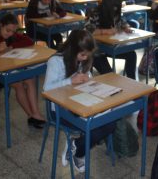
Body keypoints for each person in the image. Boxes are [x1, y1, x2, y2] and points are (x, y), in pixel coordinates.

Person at [43, 29, 116, 172]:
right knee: (93, 126)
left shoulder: (82, 59)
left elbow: (85, 75)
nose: (84, 58)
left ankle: (76, 144)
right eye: (82, 55)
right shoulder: (55, 61)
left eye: (87, 56)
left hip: (80, 103)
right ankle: (79, 150)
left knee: (110, 122)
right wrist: (69, 81)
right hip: (59, 110)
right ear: (72, 49)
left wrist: (88, 79)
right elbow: (46, 89)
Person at [0, 13, 46, 128]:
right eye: (8, 30)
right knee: (19, 84)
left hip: (6, 69)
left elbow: (29, 41)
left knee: (30, 79)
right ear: (1, 25)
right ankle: (31, 115)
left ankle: (35, 114)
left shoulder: (11, 35)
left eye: (13, 31)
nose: (10, 34)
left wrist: (12, 47)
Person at [85, 0, 137, 79]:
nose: (115, 9)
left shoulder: (115, 12)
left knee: (132, 54)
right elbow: (87, 31)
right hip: (96, 51)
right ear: (107, 4)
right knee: (111, 76)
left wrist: (126, 27)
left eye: (117, 7)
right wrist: (106, 31)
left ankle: (132, 81)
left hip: (110, 47)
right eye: (114, 7)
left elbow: (121, 22)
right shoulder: (94, 12)